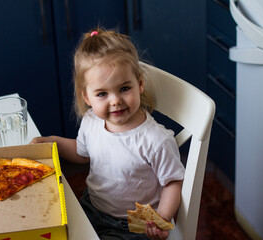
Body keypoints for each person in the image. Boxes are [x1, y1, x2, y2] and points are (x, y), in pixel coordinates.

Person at [31, 28, 185, 240]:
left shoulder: (156, 140)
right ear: (87, 97)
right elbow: (81, 152)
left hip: (132, 225)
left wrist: (162, 217)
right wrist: (52, 142)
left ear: (139, 84)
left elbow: (173, 182)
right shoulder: (91, 122)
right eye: (102, 94)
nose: (115, 101)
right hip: (92, 206)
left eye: (124, 89)